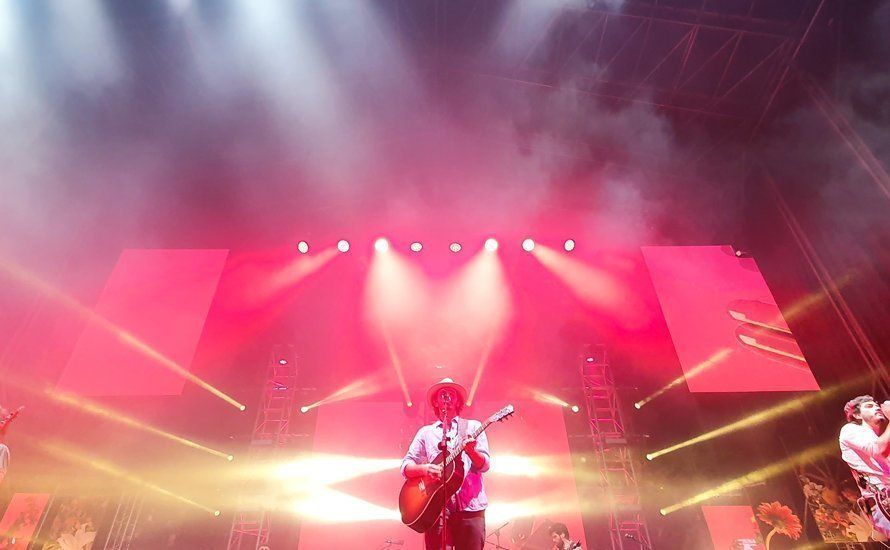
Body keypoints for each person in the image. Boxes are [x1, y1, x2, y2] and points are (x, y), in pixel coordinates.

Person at [402, 378, 491, 550]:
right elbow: (406, 466)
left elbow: (485, 465)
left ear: (458, 400)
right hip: (437, 511)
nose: (447, 397)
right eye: (442, 394)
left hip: (471, 509)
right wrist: (425, 469)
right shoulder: (426, 433)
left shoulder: (473, 427)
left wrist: (472, 451)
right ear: (435, 401)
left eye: (452, 394)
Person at [839, 395, 890, 537]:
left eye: (877, 405)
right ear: (857, 414)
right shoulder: (850, 431)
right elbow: (877, 450)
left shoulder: (884, 436)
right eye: (869, 406)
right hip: (882, 503)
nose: (876, 408)